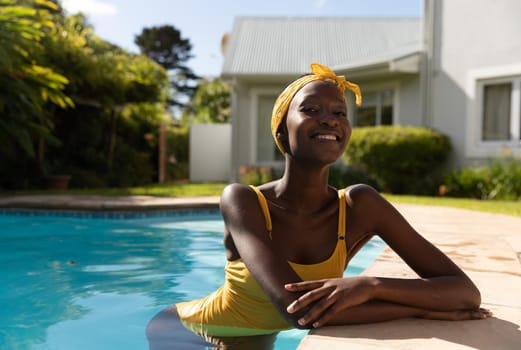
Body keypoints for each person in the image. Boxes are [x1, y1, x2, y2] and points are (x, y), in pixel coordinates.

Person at [146, 63, 490, 349]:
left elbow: (464, 293)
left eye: (339, 112)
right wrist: (422, 311)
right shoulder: (243, 200)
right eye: (310, 109)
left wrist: (370, 286)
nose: (329, 119)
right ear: (282, 131)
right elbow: (299, 312)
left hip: (259, 333)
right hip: (187, 332)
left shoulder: (359, 205)